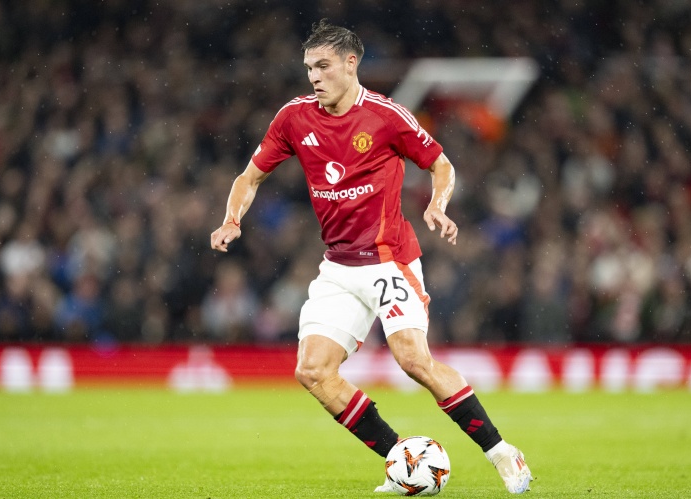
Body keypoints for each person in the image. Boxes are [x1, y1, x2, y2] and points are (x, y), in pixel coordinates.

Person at [210, 19, 532, 494]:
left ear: (350, 63)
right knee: (313, 371)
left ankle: (502, 452)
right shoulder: (294, 118)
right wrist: (232, 219)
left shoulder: (387, 116)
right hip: (339, 267)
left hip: (388, 261)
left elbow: (441, 165)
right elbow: (249, 177)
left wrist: (437, 205)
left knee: (413, 360)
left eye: (323, 66)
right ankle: (405, 460)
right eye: (309, 68)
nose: (314, 77)